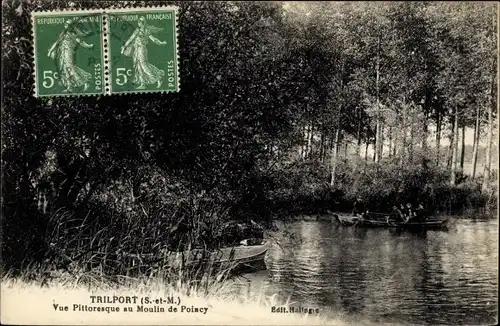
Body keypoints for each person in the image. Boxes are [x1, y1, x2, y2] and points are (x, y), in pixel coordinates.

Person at [121, 17, 168, 89]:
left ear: (143, 23)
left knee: (144, 65)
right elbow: (131, 39)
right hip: (136, 49)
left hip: (142, 49)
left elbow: (153, 39)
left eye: (140, 22)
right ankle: (143, 84)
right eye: (138, 22)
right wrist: (124, 46)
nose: (138, 23)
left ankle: (158, 78)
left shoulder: (146, 30)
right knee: (138, 66)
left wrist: (161, 43)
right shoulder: (137, 30)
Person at [48, 20, 94, 92]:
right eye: (65, 25)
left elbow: (80, 42)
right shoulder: (63, 34)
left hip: (68, 52)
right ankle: (69, 86)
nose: (65, 26)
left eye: (67, 25)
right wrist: (50, 50)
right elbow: (57, 42)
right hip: (62, 53)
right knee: (64, 69)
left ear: (70, 26)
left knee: (70, 68)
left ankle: (85, 83)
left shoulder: (73, 34)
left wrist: (88, 46)